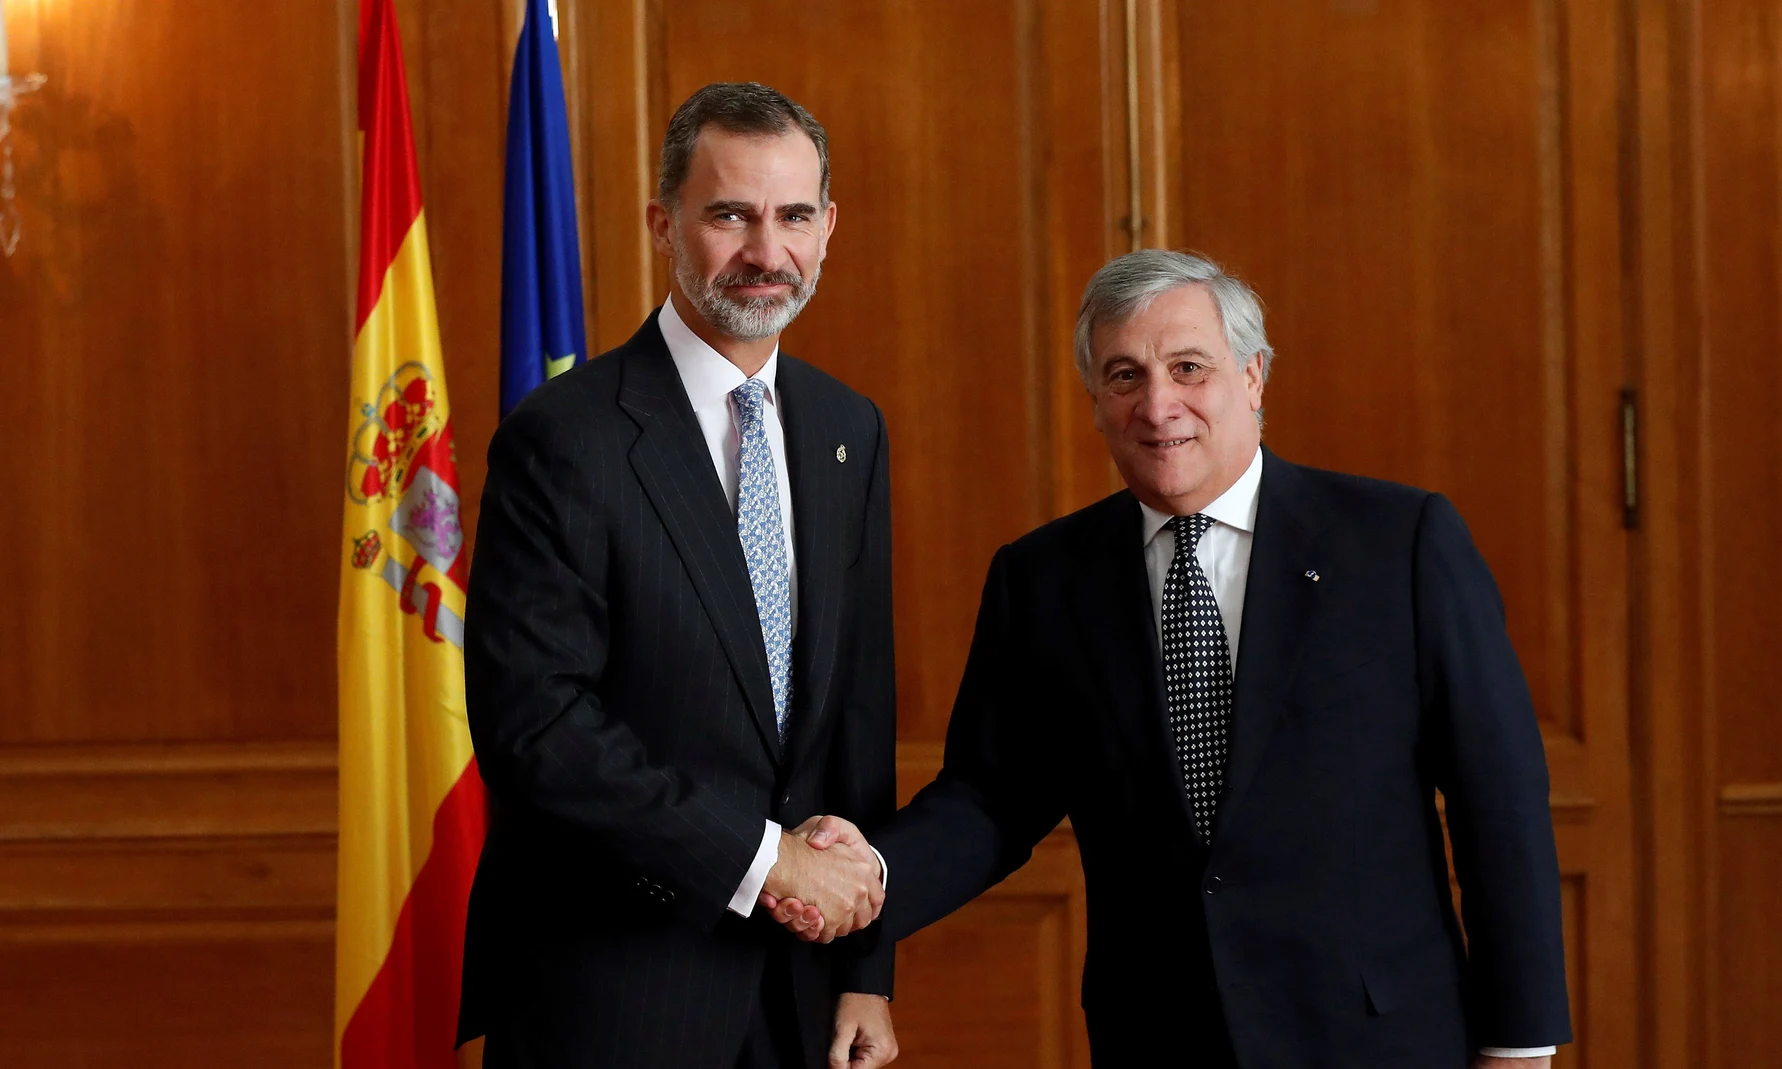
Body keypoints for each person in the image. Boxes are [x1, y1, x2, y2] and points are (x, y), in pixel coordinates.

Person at [771, 250, 1571, 1067]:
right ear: (1095, 403)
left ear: (1254, 376)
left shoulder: (1398, 543)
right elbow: (992, 798)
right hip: (1159, 1035)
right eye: (1124, 376)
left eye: (1189, 368)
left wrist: (1519, 1042)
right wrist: (872, 869)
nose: (1159, 406)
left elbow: (1496, 797)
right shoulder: (1044, 578)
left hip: (1376, 1036)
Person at [458, 82, 899, 1069]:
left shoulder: (845, 430)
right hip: (615, 994)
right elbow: (539, 731)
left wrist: (867, 965)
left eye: (792, 216)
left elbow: (856, 719)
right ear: (664, 222)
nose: (764, 251)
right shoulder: (562, 439)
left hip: (803, 991)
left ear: (828, 228)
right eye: (729, 214)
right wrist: (763, 858)